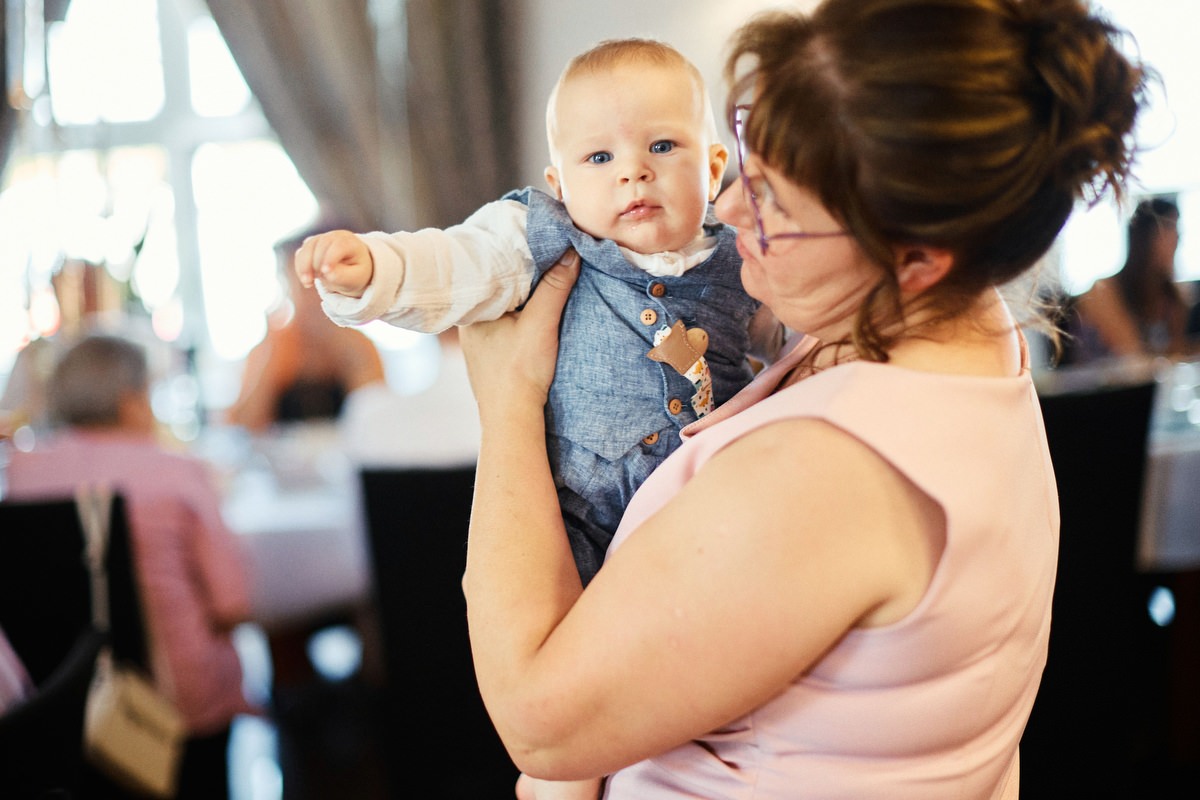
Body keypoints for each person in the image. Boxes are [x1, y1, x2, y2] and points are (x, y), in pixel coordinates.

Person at [455, 1, 1147, 798]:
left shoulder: (831, 472)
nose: (729, 207)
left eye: (775, 203)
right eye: (748, 161)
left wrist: (509, 404)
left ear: (916, 258)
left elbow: (539, 725)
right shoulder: (955, 329)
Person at [296, 38, 782, 585]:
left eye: (663, 146)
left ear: (714, 168)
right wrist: (374, 267)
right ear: (560, 186)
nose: (633, 171)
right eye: (600, 157)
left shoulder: (742, 256)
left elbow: (788, 337)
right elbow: (453, 263)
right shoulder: (538, 236)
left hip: (713, 499)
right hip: (583, 517)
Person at [5, 334, 257, 799]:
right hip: (174, 713)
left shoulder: (20, 473)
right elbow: (233, 605)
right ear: (131, 399)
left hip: (66, 703)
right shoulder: (178, 472)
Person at [225, 227, 387, 433]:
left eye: (321, 285)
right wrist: (270, 357)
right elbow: (245, 426)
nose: (313, 297)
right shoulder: (273, 346)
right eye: (304, 285)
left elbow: (377, 418)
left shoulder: (357, 344)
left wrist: (352, 357)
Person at [1065, 197, 1196, 363]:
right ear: (1145, 237)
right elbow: (1132, 355)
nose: (1177, 239)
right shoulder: (1102, 291)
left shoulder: (1172, 297)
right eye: (1170, 229)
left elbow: (1176, 354)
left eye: (1177, 231)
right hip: (1102, 379)